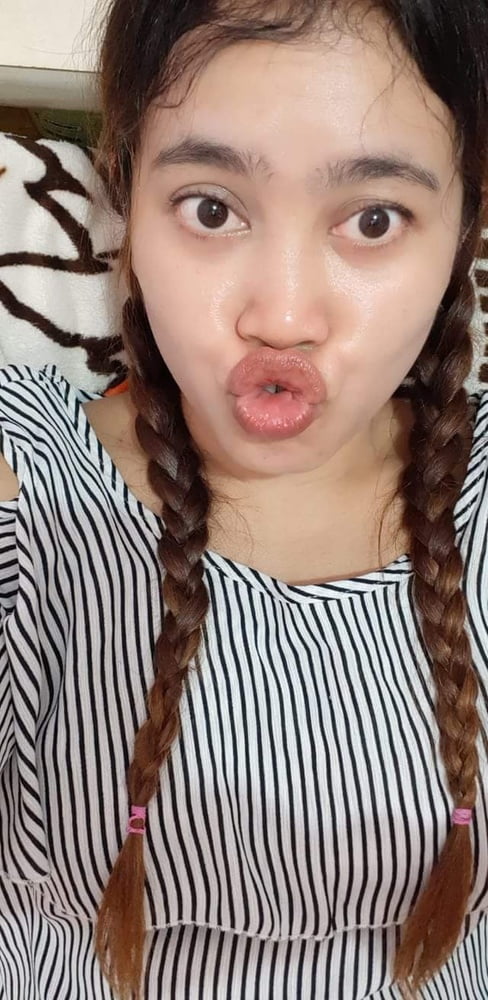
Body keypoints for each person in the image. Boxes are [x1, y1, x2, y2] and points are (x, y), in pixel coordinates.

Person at [0, 0, 488, 997]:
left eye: (373, 219)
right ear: (127, 205)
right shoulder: (32, 480)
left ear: (462, 232)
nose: (283, 316)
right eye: (211, 209)